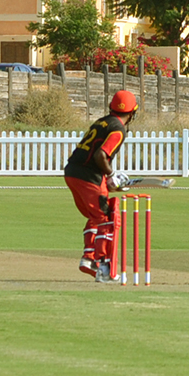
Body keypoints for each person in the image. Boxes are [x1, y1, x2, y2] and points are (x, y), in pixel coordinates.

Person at [64, 90, 138, 282]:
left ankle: (89, 259)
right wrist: (111, 175)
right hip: (88, 175)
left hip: (72, 171)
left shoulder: (102, 121)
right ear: (133, 113)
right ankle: (100, 266)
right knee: (106, 219)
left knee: (96, 216)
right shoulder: (118, 129)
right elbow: (100, 156)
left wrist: (108, 179)